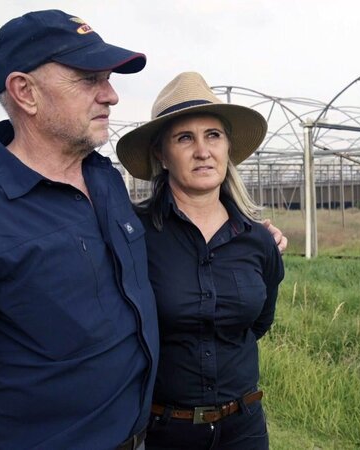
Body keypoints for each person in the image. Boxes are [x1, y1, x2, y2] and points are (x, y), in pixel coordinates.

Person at [0, 10, 158, 449]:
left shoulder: (105, 179)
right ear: (25, 92)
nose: (111, 95)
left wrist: (243, 227)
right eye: (89, 79)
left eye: (109, 79)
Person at [116, 72, 284, 450]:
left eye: (213, 135)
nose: (202, 151)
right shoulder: (134, 234)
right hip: (164, 432)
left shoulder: (257, 240)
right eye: (184, 138)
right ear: (161, 153)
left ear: (227, 147)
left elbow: (259, 322)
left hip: (244, 429)